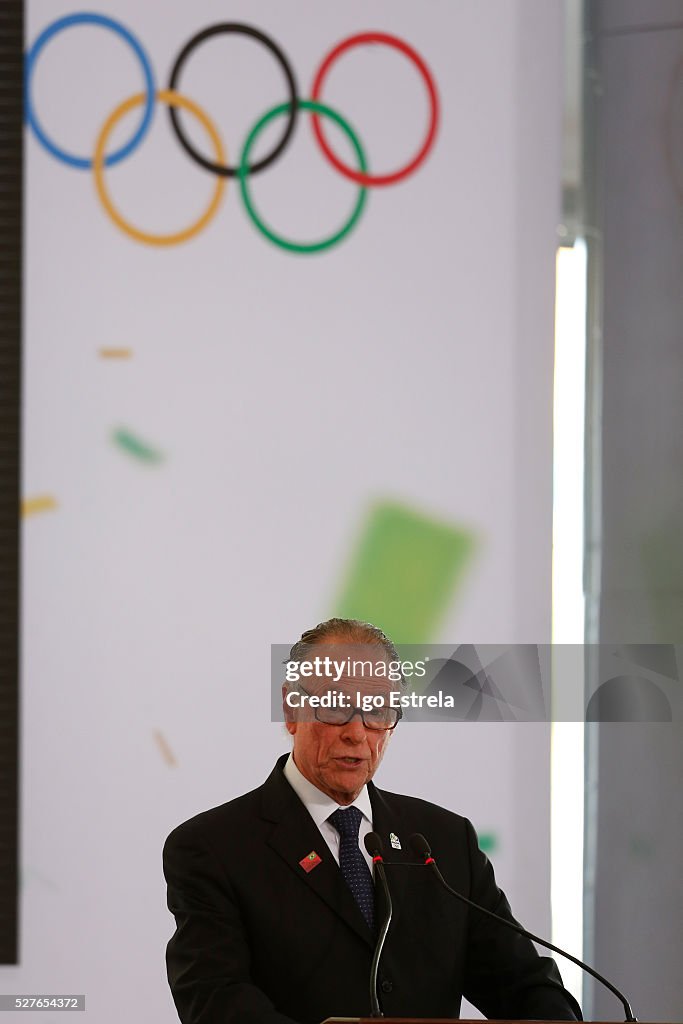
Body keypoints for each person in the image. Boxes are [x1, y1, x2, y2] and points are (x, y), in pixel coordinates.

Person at [163, 618, 582, 1024]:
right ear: (292, 710)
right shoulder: (214, 847)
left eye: (377, 711)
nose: (357, 733)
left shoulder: (445, 842)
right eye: (336, 708)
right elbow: (215, 1001)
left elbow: (524, 983)